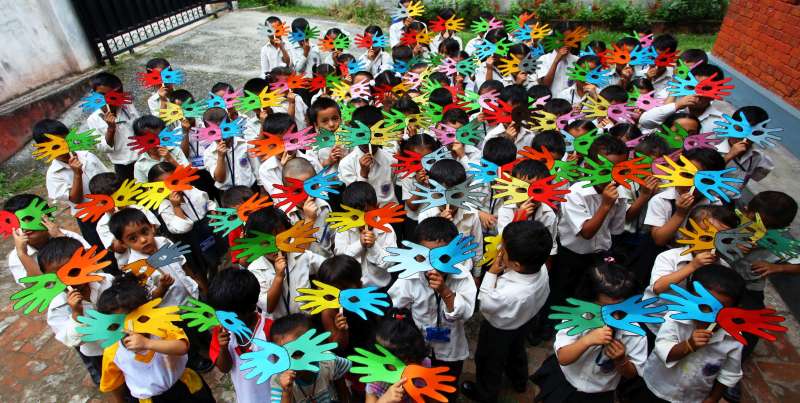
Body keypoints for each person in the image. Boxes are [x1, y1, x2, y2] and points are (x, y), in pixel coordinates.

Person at [532, 258, 647, 403]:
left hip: (598, 394)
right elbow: (563, 357)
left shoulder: (634, 333)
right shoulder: (576, 317)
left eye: (620, 308)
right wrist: (587, 340)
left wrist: (621, 360)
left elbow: (632, 374)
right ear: (590, 300)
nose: (613, 316)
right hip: (564, 380)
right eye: (604, 308)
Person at [462, 220, 552, 402]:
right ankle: (519, 381)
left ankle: (486, 393)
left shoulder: (507, 294)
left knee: (489, 361)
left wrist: (492, 273)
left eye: (504, 249)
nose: (500, 250)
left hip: (499, 329)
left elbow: (485, 302)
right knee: (517, 351)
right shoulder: (540, 267)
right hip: (525, 320)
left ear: (517, 265)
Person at [388, 217, 477, 400]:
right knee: (421, 387)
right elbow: (396, 307)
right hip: (419, 348)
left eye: (441, 257)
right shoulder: (410, 277)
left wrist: (445, 292)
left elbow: (466, 313)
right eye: (425, 256)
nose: (432, 264)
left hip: (451, 349)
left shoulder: (462, 276)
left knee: (447, 387)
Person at [96, 273, 215, 403]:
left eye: (135, 318)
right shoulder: (113, 351)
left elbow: (182, 347)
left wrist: (148, 343)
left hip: (185, 384)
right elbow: (113, 385)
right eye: (118, 323)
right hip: (152, 399)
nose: (128, 327)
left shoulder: (161, 327)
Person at [640, 264, 746, 403]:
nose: (708, 316)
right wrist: (688, 345)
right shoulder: (675, 318)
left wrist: (713, 398)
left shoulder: (734, 339)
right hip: (656, 386)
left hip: (692, 397)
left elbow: (728, 374)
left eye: (720, 311)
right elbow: (662, 350)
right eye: (702, 306)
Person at [41, 237, 113, 386]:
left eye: (73, 272)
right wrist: (76, 315)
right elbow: (71, 340)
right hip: (99, 353)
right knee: (113, 383)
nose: (69, 282)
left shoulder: (106, 280)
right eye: (60, 277)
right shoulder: (58, 306)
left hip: (123, 340)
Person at [35, 118, 110, 248]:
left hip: (109, 207)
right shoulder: (54, 175)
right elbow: (76, 199)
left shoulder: (87, 156)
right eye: (56, 146)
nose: (65, 149)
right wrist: (77, 174)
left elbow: (108, 177)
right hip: (89, 218)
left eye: (66, 141)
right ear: (44, 150)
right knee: (102, 250)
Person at [243, 207, 325, 318]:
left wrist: (321, 291)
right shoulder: (255, 270)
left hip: (307, 321)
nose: (275, 247)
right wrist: (278, 277)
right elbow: (268, 307)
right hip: (278, 330)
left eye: (281, 239)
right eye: (265, 243)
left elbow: (329, 268)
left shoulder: (301, 255)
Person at [150, 162, 223, 283]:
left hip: (207, 231)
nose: (171, 187)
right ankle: (207, 291)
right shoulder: (164, 206)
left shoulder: (191, 190)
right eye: (165, 184)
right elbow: (182, 228)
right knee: (199, 269)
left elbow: (208, 201)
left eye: (173, 181)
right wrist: (176, 207)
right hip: (189, 241)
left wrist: (213, 210)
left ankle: (219, 278)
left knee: (216, 259)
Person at [208, 268, 272, 403]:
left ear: (249, 310)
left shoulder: (270, 330)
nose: (221, 321)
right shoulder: (220, 332)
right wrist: (223, 348)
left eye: (228, 318)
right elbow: (224, 368)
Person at [417, 159, 484, 277]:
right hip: (437, 273)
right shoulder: (426, 215)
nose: (449, 201)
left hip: (464, 272)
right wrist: (439, 225)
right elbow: (425, 252)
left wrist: (477, 275)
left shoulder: (471, 214)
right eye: (441, 195)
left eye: (455, 195)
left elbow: (477, 246)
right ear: (432, 189)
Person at [5, 194, 89, 284]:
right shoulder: (16, 257)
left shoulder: (68, 236)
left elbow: (89, 264)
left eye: (29, 219)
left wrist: (61, 238)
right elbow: (39, 287)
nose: (25, 227)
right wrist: (23, 255)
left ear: (47, 217)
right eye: (16, 222)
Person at [270, 314, 352, 402]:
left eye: (297, 353)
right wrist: (286, 392)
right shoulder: (278, 380)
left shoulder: (328, 361)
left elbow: (343, 392)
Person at [333, 182, 397, 288]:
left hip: (381, 287)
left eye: (367, 214)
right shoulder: (343, 229)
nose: (362, 221)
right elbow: (340, 260)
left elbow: (390, 262)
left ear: (376, 208)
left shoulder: (387, 229)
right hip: (352, 288)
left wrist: (373, 246)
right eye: (355, 217)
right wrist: (359, 244)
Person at [364, 308, 431, 403]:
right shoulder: (376, 375)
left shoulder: (423, 364)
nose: (395, 367)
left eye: (404, 359)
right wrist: (384, 400)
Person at [86, 72, 141, 181]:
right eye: (102, 95)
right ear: (93, 94)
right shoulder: (93, 119)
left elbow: (139, 126)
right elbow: (104, 148)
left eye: (112, 96)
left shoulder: (127, 106)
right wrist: (111, 129)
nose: (107, 100)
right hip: (123, 165)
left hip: (141, 158)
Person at [338, 106, 397, 205]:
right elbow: (355, 199)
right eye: (362, 135)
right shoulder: (346, 164)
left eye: (375, 135)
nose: (369, 141)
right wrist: (363, 174)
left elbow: (393, 184)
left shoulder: (391, 160)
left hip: (390, 214)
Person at [202, 108, 260, 190]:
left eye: (225, 129)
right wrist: (221, 157)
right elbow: (219, 179)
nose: (221, 135)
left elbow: (256, 168)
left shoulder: (244, 144)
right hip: (228, 194)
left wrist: (262, 188)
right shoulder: (209, 153)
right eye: (214, 132)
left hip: (251, 188)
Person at [131, 115, 189, 183]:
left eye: (161, 138)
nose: (157, 144)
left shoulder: (175, 150)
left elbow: (188, 176)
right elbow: (143, 189)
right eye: (151, 141)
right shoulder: (140, 165)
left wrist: (171, 159)